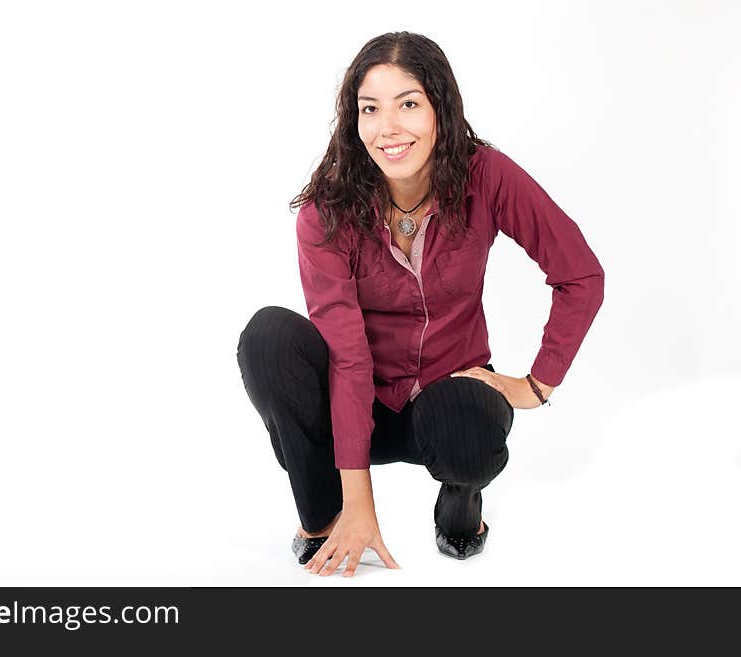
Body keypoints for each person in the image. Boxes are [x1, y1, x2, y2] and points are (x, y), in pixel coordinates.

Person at [236, 31, 604, 578]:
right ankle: (322, 516)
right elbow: (348, 355)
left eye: (408, 103)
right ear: (352, 119)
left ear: (440, 108)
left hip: (446, 395)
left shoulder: (487, 176)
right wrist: (360, 501)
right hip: (357, 402)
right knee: (268, 338)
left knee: (469, 427)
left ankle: (460, 504)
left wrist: (537, 384)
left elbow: (580, 274)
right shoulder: (326, 211)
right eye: (370, 108)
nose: (388, 128)